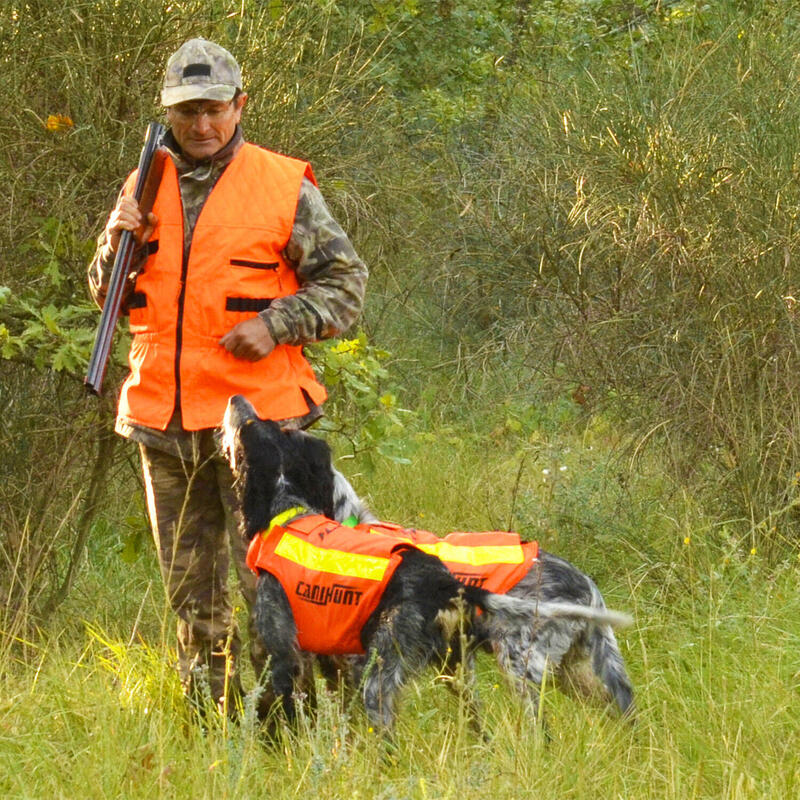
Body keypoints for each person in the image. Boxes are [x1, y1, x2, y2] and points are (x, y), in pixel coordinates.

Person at [88, 38, 367, 718]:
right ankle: (211, 731)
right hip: (163, 425)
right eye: (187, 113)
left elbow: (346, 286)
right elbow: (108, 295)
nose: (202, 126)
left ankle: (293, 728)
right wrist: (113, 240)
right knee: (192, 597)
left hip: (261, 428)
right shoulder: (141, 184)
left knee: (275, 587)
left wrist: (276, 323)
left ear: (240, 106)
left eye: (214, 109)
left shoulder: (283, 185)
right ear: (169, 113)